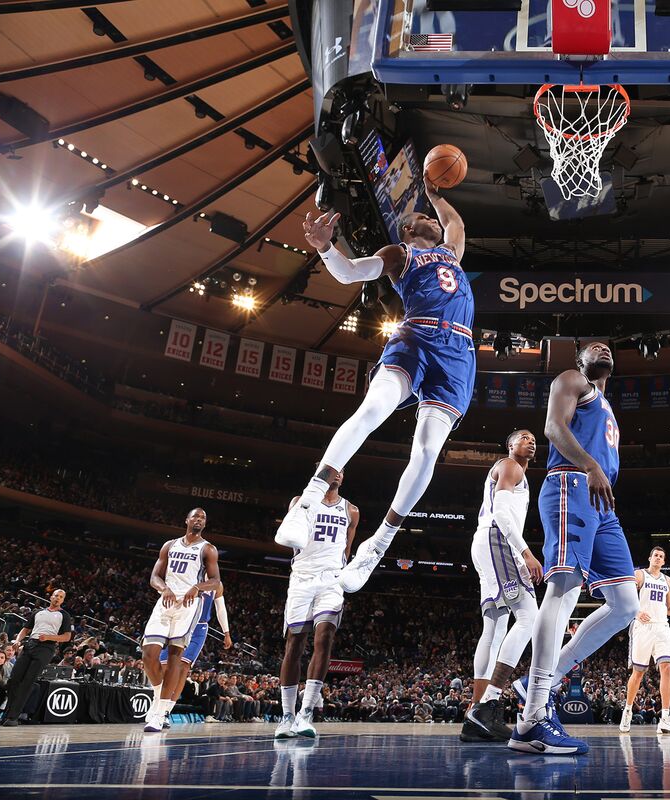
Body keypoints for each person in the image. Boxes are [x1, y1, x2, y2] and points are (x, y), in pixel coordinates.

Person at [276, 172, 473, 597]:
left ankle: (378, 544)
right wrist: (326, 247)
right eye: (424, 216)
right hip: (415, 336)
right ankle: (308, 501)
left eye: (433, 218)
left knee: (427, 450)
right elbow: (349, 273)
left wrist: (435, 195)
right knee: (372, 410)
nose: (433, 222)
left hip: (458, 352)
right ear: (407, 228)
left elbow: (456, 223)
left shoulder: (451, 253)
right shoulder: (399, 254)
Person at [508, 341, 640, 756]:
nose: (602, 347)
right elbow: (552, 427)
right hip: (572, 482)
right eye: (592, 346)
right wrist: (590, 464)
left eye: (608, 346)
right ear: (580, 361)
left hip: (602, 502)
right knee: (563, 589)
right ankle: (531, 720)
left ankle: (539, 680)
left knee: (626, 605)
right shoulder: (572, 380)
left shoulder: (606, 403)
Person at [460, 430, 544, 743]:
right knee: (528, 617)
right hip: (498, 539)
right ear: (510, 445)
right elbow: (501, 512)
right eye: (524, 437)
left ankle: (476, 713)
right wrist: (525, 553)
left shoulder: (514, 470)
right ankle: (489, 702)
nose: (531, 441)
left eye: (534, 439)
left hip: (486, 543)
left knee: (494, 627)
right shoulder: (511, 466)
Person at [276, 468, 359, 740]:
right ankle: (287, 715)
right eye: (332, 470)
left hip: (331, 578)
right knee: (295, 642)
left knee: (325, 637)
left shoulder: (351, 510)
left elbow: (347, 550)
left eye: (341, 472)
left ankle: (306, 713)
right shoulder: (300, 501)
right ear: (320, 472)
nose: (337, 475)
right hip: (302, 576)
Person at [140, 508, 222, 733]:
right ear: (186, 520)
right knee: (148, 654)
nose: (199, 520)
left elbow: (215, 581)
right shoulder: (169, 545)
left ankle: (158, 714)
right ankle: (159, 696)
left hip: (188, 606)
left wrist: (197, 587)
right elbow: (154, 576)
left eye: (203, 518)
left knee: (176, 658)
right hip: (166, 601)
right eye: (195, 516)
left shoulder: (208, 549)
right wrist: (164, 588)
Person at [619, 546, 670, 734]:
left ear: (664, 562)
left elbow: (669, 609)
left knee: (666, 668)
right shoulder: (639, 575)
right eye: (655, 555)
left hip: (662, 626)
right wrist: (636, 612)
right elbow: (625, 597)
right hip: (642, 627)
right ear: (650, 558)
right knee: (638, 673)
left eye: (661, 556)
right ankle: (628, 710)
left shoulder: (667, 580)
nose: (658, 558)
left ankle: (664, 718)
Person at [157, 584, 232, 729]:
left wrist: (226, 632)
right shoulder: (191, 573)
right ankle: (157, 705)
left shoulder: (216, 583)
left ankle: (166, 711)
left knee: (183, 668)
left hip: (199, 627)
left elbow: (220, 608)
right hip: (180, 622)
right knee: (164, 666)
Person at [1, 588, 73, 726]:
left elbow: (67, 637)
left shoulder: (64, 615)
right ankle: (9, 710)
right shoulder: (38, 612)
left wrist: (49, 637)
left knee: (28, 681)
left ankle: (13, 717)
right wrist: (17, 640)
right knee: (14, 679)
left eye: (61, 597)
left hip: (46, 647)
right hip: (30, 644)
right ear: (51, 597)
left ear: (63, 600)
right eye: (56, 595)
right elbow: (26, 629)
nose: (57, 598)